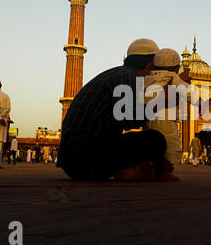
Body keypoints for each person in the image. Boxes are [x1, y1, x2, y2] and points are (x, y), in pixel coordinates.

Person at [58, 38, 170, 181]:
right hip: (86, 157)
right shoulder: (129, 76)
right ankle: (127, 170)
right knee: (155, 139)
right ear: (150, 64)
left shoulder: (119, 74)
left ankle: (128, 170)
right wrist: (159, 102)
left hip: (73, 160)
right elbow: (130, 119)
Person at [143, 48, 195, 175]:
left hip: (148, 120)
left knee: (151, 147)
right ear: (177, 68)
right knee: (170, 146)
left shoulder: (146, 77)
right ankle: (165, 172)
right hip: (167, 121)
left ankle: (153, 169)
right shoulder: (173, 76)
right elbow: (190, 95)